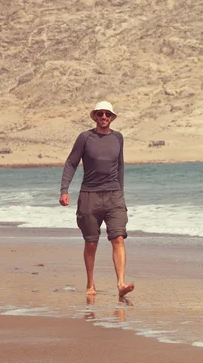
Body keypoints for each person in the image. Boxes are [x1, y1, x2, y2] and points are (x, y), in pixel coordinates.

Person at [59, 100, 134, 298]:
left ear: (112, 117)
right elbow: (71, 163)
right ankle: (90, 284)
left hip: (114, 197)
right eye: (100, 114)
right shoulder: (85, 138)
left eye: (107, 114)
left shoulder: (118, 138)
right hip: (89, 197)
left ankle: (121, 284)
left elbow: (120, 167)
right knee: (91, 242)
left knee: (118, 237)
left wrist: (121, 194)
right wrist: (64, 189)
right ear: (95, 116)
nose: (103, 117)